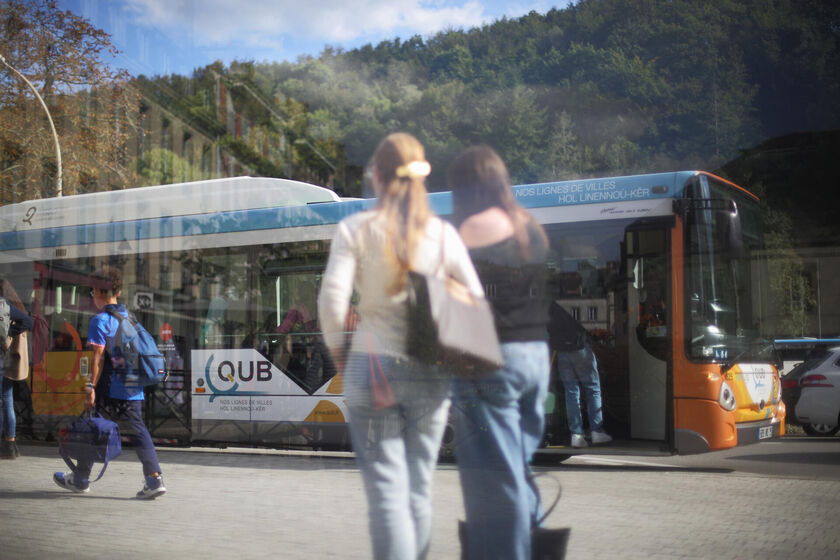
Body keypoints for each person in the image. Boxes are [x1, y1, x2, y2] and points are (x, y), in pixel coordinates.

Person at [318, 132, 483, 560]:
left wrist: (342, 357)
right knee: (419, 490)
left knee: (388, 496)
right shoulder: (444, 235)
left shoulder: (355, 229)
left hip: (372, 369)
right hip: (431, 372)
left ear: (375, 176)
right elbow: (476, 302)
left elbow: (332, 305)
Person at [447, 145, 551, 560]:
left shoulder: (469, 230)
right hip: (535, 357)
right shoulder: (530, 226)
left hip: (491, 362)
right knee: (516, 471)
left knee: (493, 484)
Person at [53, 266, 166, 499]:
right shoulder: (130, 317)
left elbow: (97, 359)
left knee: (91, 428)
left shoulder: (100, 320)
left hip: (109, 388)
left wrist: (89, 388)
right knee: (138, 431)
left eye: (92, 292)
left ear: (99, 292)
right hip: (133, 386)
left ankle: (81, 479)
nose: (92, 297)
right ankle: (154, 479)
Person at [548, 300, 612, 448]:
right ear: (579, 286)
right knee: (592, 389)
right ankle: (596, 431)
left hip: (562, 352)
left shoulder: (554, 304)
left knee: (571, 392)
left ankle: (576, 435)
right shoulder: (583, 302)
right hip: (581, 349)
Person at [1, 291, 34, 460]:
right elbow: (28, 321)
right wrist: (8, 332)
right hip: (3, 360)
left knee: (4, 400)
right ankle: (10, 444)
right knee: (6, 400)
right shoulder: (5, 304)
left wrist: (7, 332)